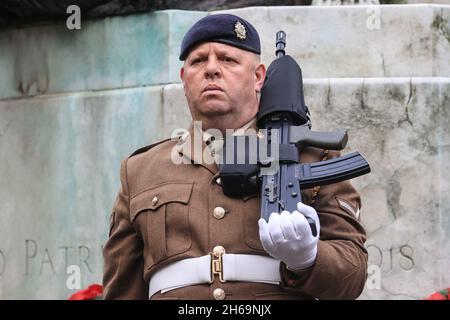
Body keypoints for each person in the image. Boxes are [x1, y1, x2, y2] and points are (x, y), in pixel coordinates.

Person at [102, 13, 368, 300]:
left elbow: (351, 277)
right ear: (184, 79)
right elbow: (121, 290)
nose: (211, 69)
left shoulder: (311, 157)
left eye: (227, 59)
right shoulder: (141, 170)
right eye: (198, 61)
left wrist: (308, 258)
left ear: (258, 77)